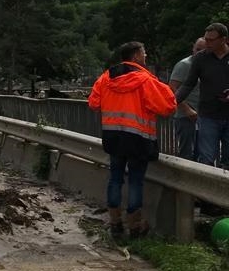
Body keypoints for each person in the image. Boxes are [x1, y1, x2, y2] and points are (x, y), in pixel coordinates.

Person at [88, 42, 177, 239]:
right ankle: (135, 226)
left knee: (115, 179)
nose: (146, 56)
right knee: (136, 181)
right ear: (136, 56)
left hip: (113, 136)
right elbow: (168, 106)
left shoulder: (105, 78)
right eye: (144, 53)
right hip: (138, 138)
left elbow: (94, 103)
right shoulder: (145, 80)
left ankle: (115, 223)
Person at [174, 22, 229, 166]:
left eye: (211, 40)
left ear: (223, 40)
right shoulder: (200, 58)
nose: (207, 43)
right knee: (206, 159)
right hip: (207, 115)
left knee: (227, 160)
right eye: (206, 39)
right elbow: (188, 84)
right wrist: (172, 101)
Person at [168, 37, 206, 160]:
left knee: (202, 152)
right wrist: (186, 109)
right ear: (193, 48)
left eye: (203, 50)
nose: (200, 52)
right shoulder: (184, 65)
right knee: (187, 153)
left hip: (204, 116)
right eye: (198, 49)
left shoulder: (207, 65)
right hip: (186, 117)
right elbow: (172, 89)